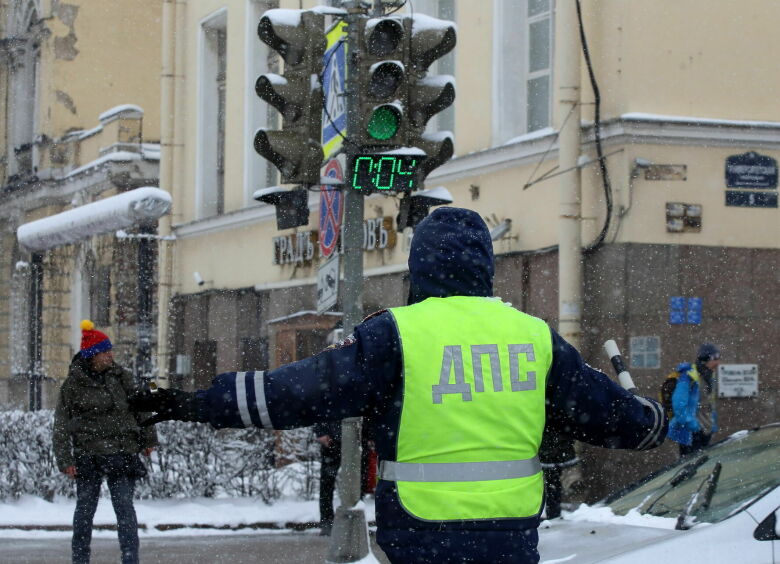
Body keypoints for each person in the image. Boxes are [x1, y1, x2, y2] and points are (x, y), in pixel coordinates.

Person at [130, 207, 667, 563]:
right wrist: (653, 419)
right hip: (510, 535)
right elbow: (616, 419)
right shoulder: (534, 337)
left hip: (420, 531)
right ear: (485, 265)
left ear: (420, 267)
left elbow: (293, 392)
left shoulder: (396, 335)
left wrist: (191, 402)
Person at [53, 320, 157, 564]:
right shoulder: (72, 386)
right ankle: (80, 559)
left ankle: (130, 559)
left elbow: (142, 406)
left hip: (122, 452)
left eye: (110, 351)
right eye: (105, 352)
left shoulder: (122, 378)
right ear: (92, 355)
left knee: (125, 510)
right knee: (85, 512)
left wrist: (148, 439)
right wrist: (65, 459)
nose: (110, 356)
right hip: (88, 455)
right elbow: (61, 424)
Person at [314, 418, 375, 536]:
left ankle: (356, 522)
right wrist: (321, 432)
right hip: (334, 440)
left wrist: (370, 434)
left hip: (357, 439)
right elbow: (319, 406)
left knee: (358, 485)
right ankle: (328, 522)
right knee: (327, 484)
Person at [666, 343, 720, 457]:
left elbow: (709, 403)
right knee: (689, 465)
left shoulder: (710, 376)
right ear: (706, 359)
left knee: (702, 463)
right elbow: (679, 403)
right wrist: (691, 424)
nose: (718, 362)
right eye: (715, 358)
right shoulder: (688, 375)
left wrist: (712, 422)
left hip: (706, 428)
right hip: (692, 431)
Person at [538, 429, 579, 520]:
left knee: (552, 481)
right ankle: (554, 511)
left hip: (550, 450)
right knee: (554, 481)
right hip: (557, 449)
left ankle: (553, 512)